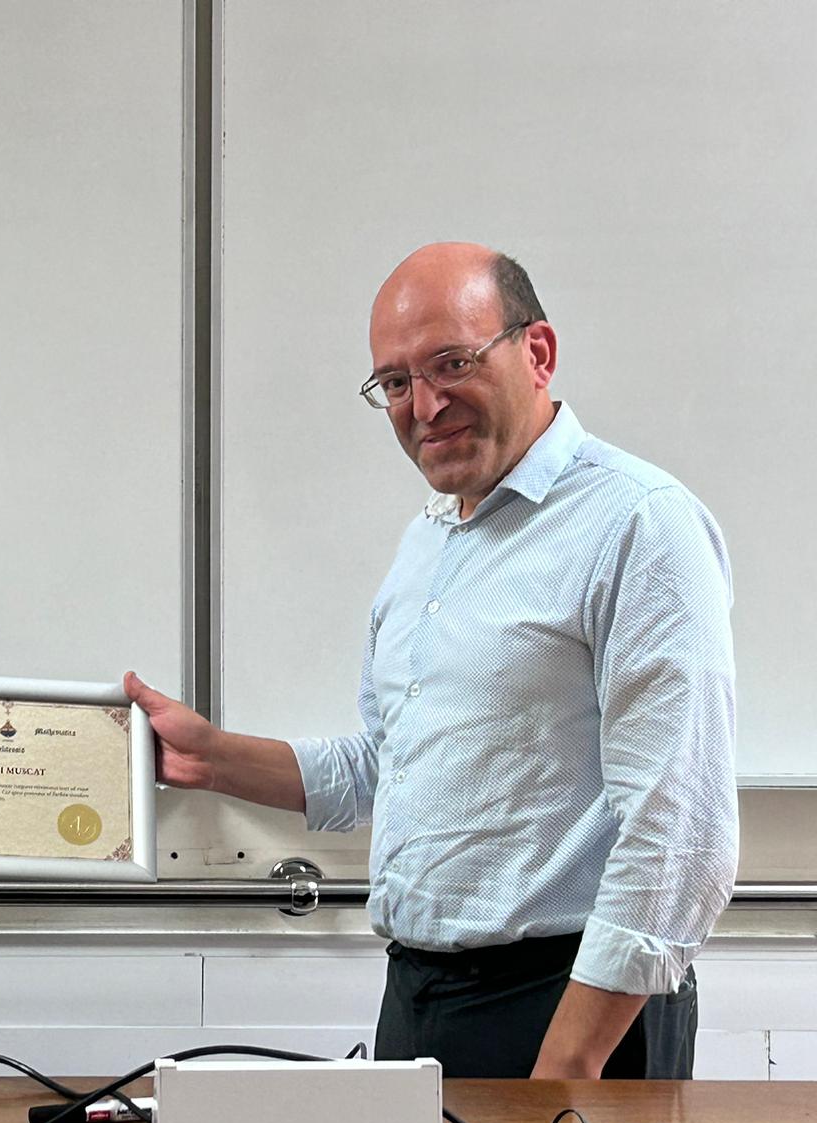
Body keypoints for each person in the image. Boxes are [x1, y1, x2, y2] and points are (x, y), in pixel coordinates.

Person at [125, 243, 737, 1079]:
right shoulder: (431, 540)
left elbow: (680, 829)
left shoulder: (639, 525)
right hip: (418, 995)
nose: (426, 404)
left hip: (571, 1010)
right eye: (396, 382)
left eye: (452, 363)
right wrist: (210, 755)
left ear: (538, 353)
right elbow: (389, 763)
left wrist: (567, 1066)